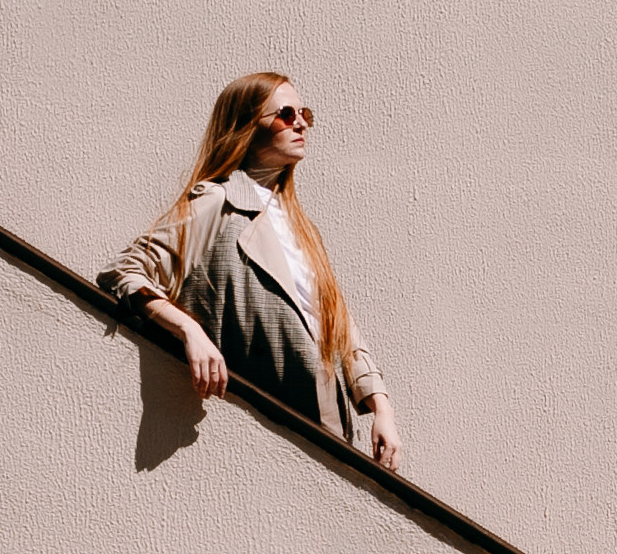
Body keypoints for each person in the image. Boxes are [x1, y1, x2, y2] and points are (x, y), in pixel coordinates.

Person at [101, 71, 404, 474]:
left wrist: (381, 407)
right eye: (285, 114)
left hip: (329, 422)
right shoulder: (218, 200)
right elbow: (126, 271)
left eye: (305, 114)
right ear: (247, 126)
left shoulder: (300, 225)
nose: (300, 123)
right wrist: (190, 331)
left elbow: (338, 325)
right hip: (271, 426)